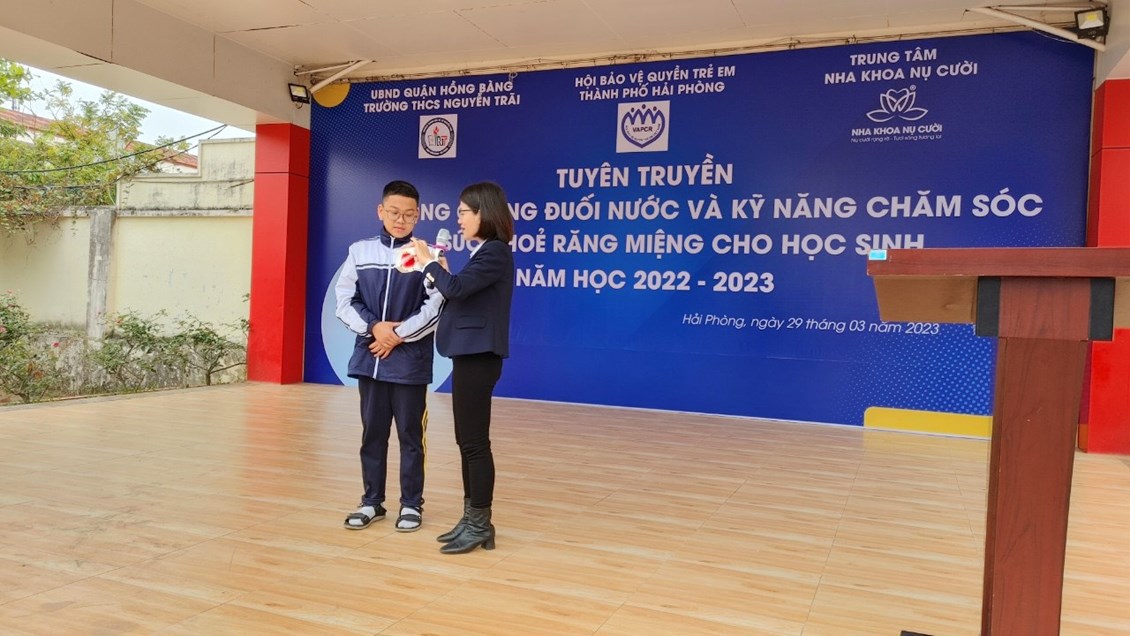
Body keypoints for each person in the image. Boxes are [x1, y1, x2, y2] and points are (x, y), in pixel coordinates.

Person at [411, 181, 514, 554]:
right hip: (470, 356)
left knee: (474, 443)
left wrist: (428, 262)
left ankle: (480, 523)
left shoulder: (495, 252)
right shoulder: (485, 252)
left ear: (483, 213)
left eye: (463, 213)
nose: (458, 219)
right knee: (466, 441)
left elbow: (455, 290)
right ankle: (472, 519)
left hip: (479, 357)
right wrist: (441, 271)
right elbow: (459, 289)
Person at [335, 180, 444, 533]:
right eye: (394, 212)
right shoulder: (359, 251)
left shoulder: (427, 255)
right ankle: (371, 502)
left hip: (410, 363)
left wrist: (397, 335)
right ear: (380, 211)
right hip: (370, 359)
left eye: (409, 214)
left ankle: (411, 504)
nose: (401, 220)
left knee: (411, 437)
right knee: (372, 434)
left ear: (418, 215)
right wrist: (374, 328)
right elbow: (344, 301)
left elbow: (436, 306)